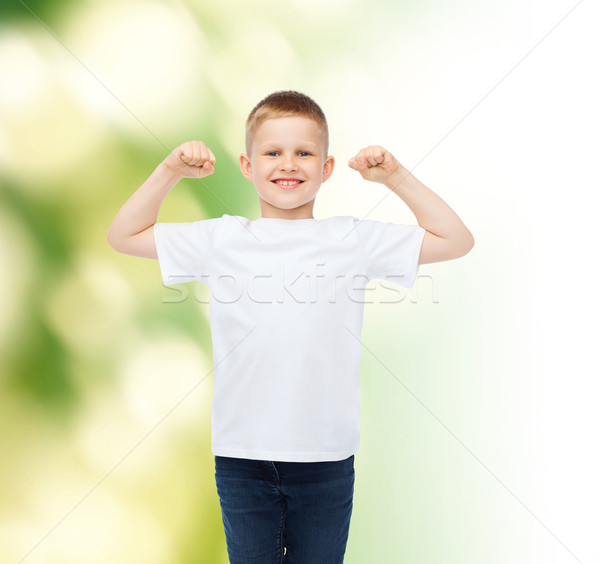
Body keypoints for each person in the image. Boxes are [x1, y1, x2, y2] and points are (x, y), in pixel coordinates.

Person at [107, 90, 474, 563]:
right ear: (247, 164)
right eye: (273, 152)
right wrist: (170, 172)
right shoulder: (221, 237)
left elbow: (455, 239)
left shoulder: (352, 238)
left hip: (326, 460)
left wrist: (395, 177)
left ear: (326, 168)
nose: (289, 164)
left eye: (304, 153)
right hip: (243, 458)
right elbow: (124, 235)